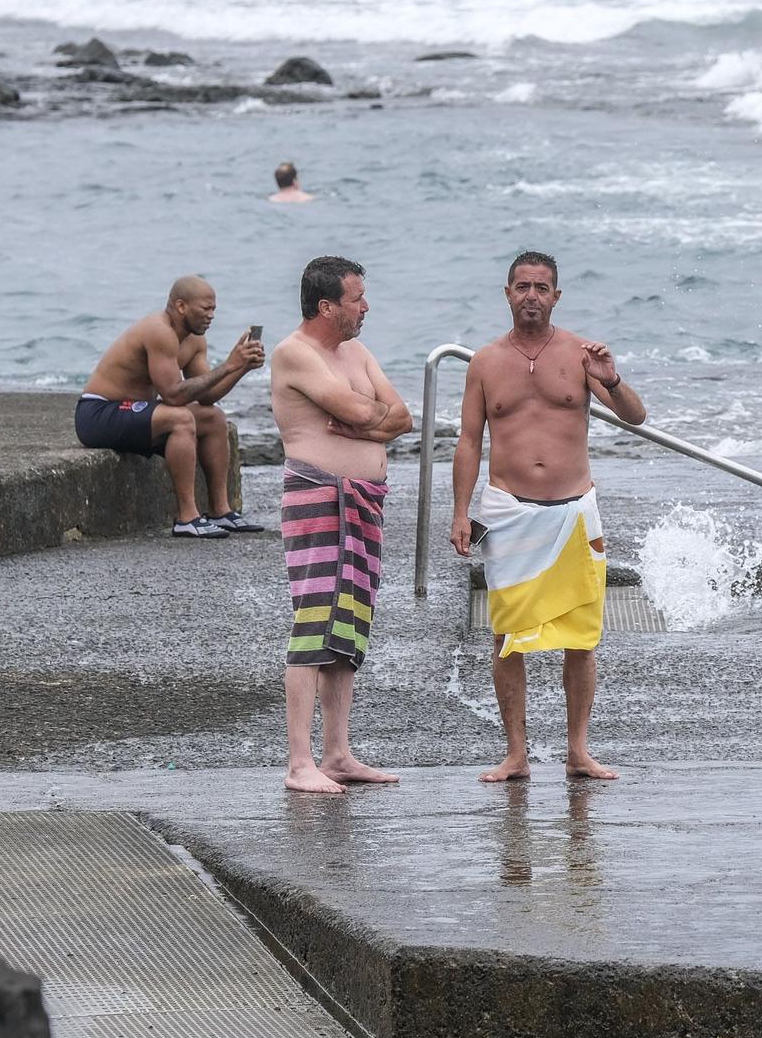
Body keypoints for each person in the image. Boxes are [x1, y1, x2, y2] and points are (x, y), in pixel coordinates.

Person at [450, 250, 648, 783]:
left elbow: (635, 417)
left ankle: (577, 750)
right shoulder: (486, 362)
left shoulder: (582, 354)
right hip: (509, 512)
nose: (531, 296)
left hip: (574, 514)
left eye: (542, 287)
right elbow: (469, 441)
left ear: (556, 296)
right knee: (507, 635)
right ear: (507, 293)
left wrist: (611, 378)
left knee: (582, 637)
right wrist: (460, 512)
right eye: (522, 287)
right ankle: (516, 753)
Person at [269, 255, 413, 794]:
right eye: (357, 299)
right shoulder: (294, 354)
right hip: (316, 496)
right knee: (313, 622)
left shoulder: (356, 351)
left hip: (364, 499)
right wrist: (372, 423)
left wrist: (366, 431)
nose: (366, 307)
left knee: (348, 624)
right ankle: (299, 763)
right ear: (327, 305)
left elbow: (401, 416)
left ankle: (337, 753)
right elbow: (361, 412)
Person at [76, 275, 267, 538]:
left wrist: (240, 368)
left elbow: (207, 396)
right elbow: (173, 396)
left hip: (138, 410)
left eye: (214, 309)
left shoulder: (194, 340)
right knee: (180, 418)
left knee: (213, 418)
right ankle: (187, 518)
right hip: (98, 413)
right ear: (181, 306)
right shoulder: (159, 331)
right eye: (205, 309)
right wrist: (229, 365)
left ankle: (221, 511)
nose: (211, 316)